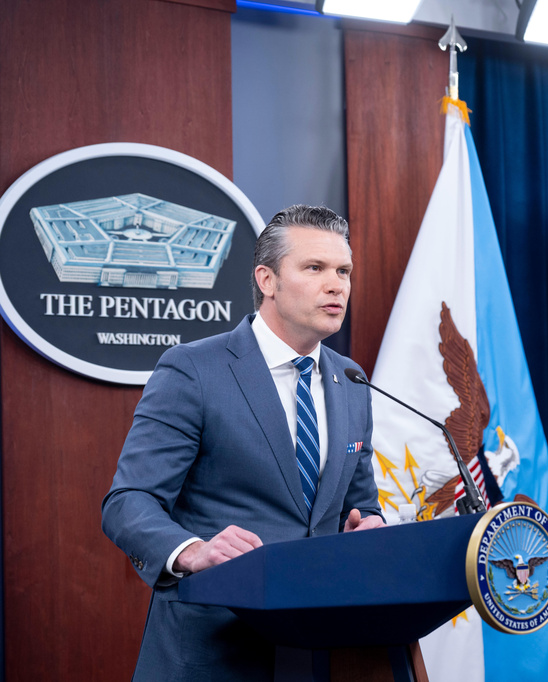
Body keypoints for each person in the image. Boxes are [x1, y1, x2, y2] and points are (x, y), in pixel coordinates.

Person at [102, 205, 384, 680]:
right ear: (267, 280)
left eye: (343, 271)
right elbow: (129, 501)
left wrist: (370, 526)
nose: (336, 285)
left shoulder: (351, 380)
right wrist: (191, 550)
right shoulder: (194, 369)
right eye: (314, 268)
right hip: (215, 649)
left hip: (324, 647)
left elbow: (359, 505)